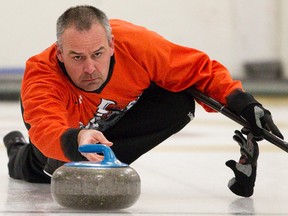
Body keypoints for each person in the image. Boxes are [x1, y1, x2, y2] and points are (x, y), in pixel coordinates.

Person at [3, 5, 283, 197]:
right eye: (77, 57)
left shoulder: (137, 45)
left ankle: (103, 165)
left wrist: (244, 103)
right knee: (42, 165)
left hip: (114, 124)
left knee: (179, 102)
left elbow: (198, 70)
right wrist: (75, 140)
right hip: (66, 131)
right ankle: (16, 148)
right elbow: (45, 128)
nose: (90, 68)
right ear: (60, 53)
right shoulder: (41, 73)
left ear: (112, 45)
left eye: (98, 54)